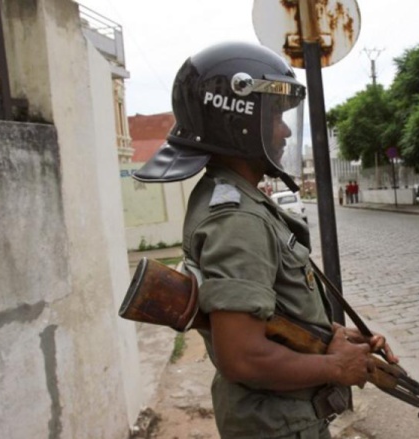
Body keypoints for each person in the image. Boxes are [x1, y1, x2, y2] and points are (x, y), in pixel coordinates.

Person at [132, 42, 397, 439]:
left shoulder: (234, 197)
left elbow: (272, 314)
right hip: (278, 427)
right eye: (275, 115)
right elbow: (244, 357)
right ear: (239, 120)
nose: (287, 129)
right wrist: (336, 367)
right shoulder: (237, 217)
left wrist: (329, 337)